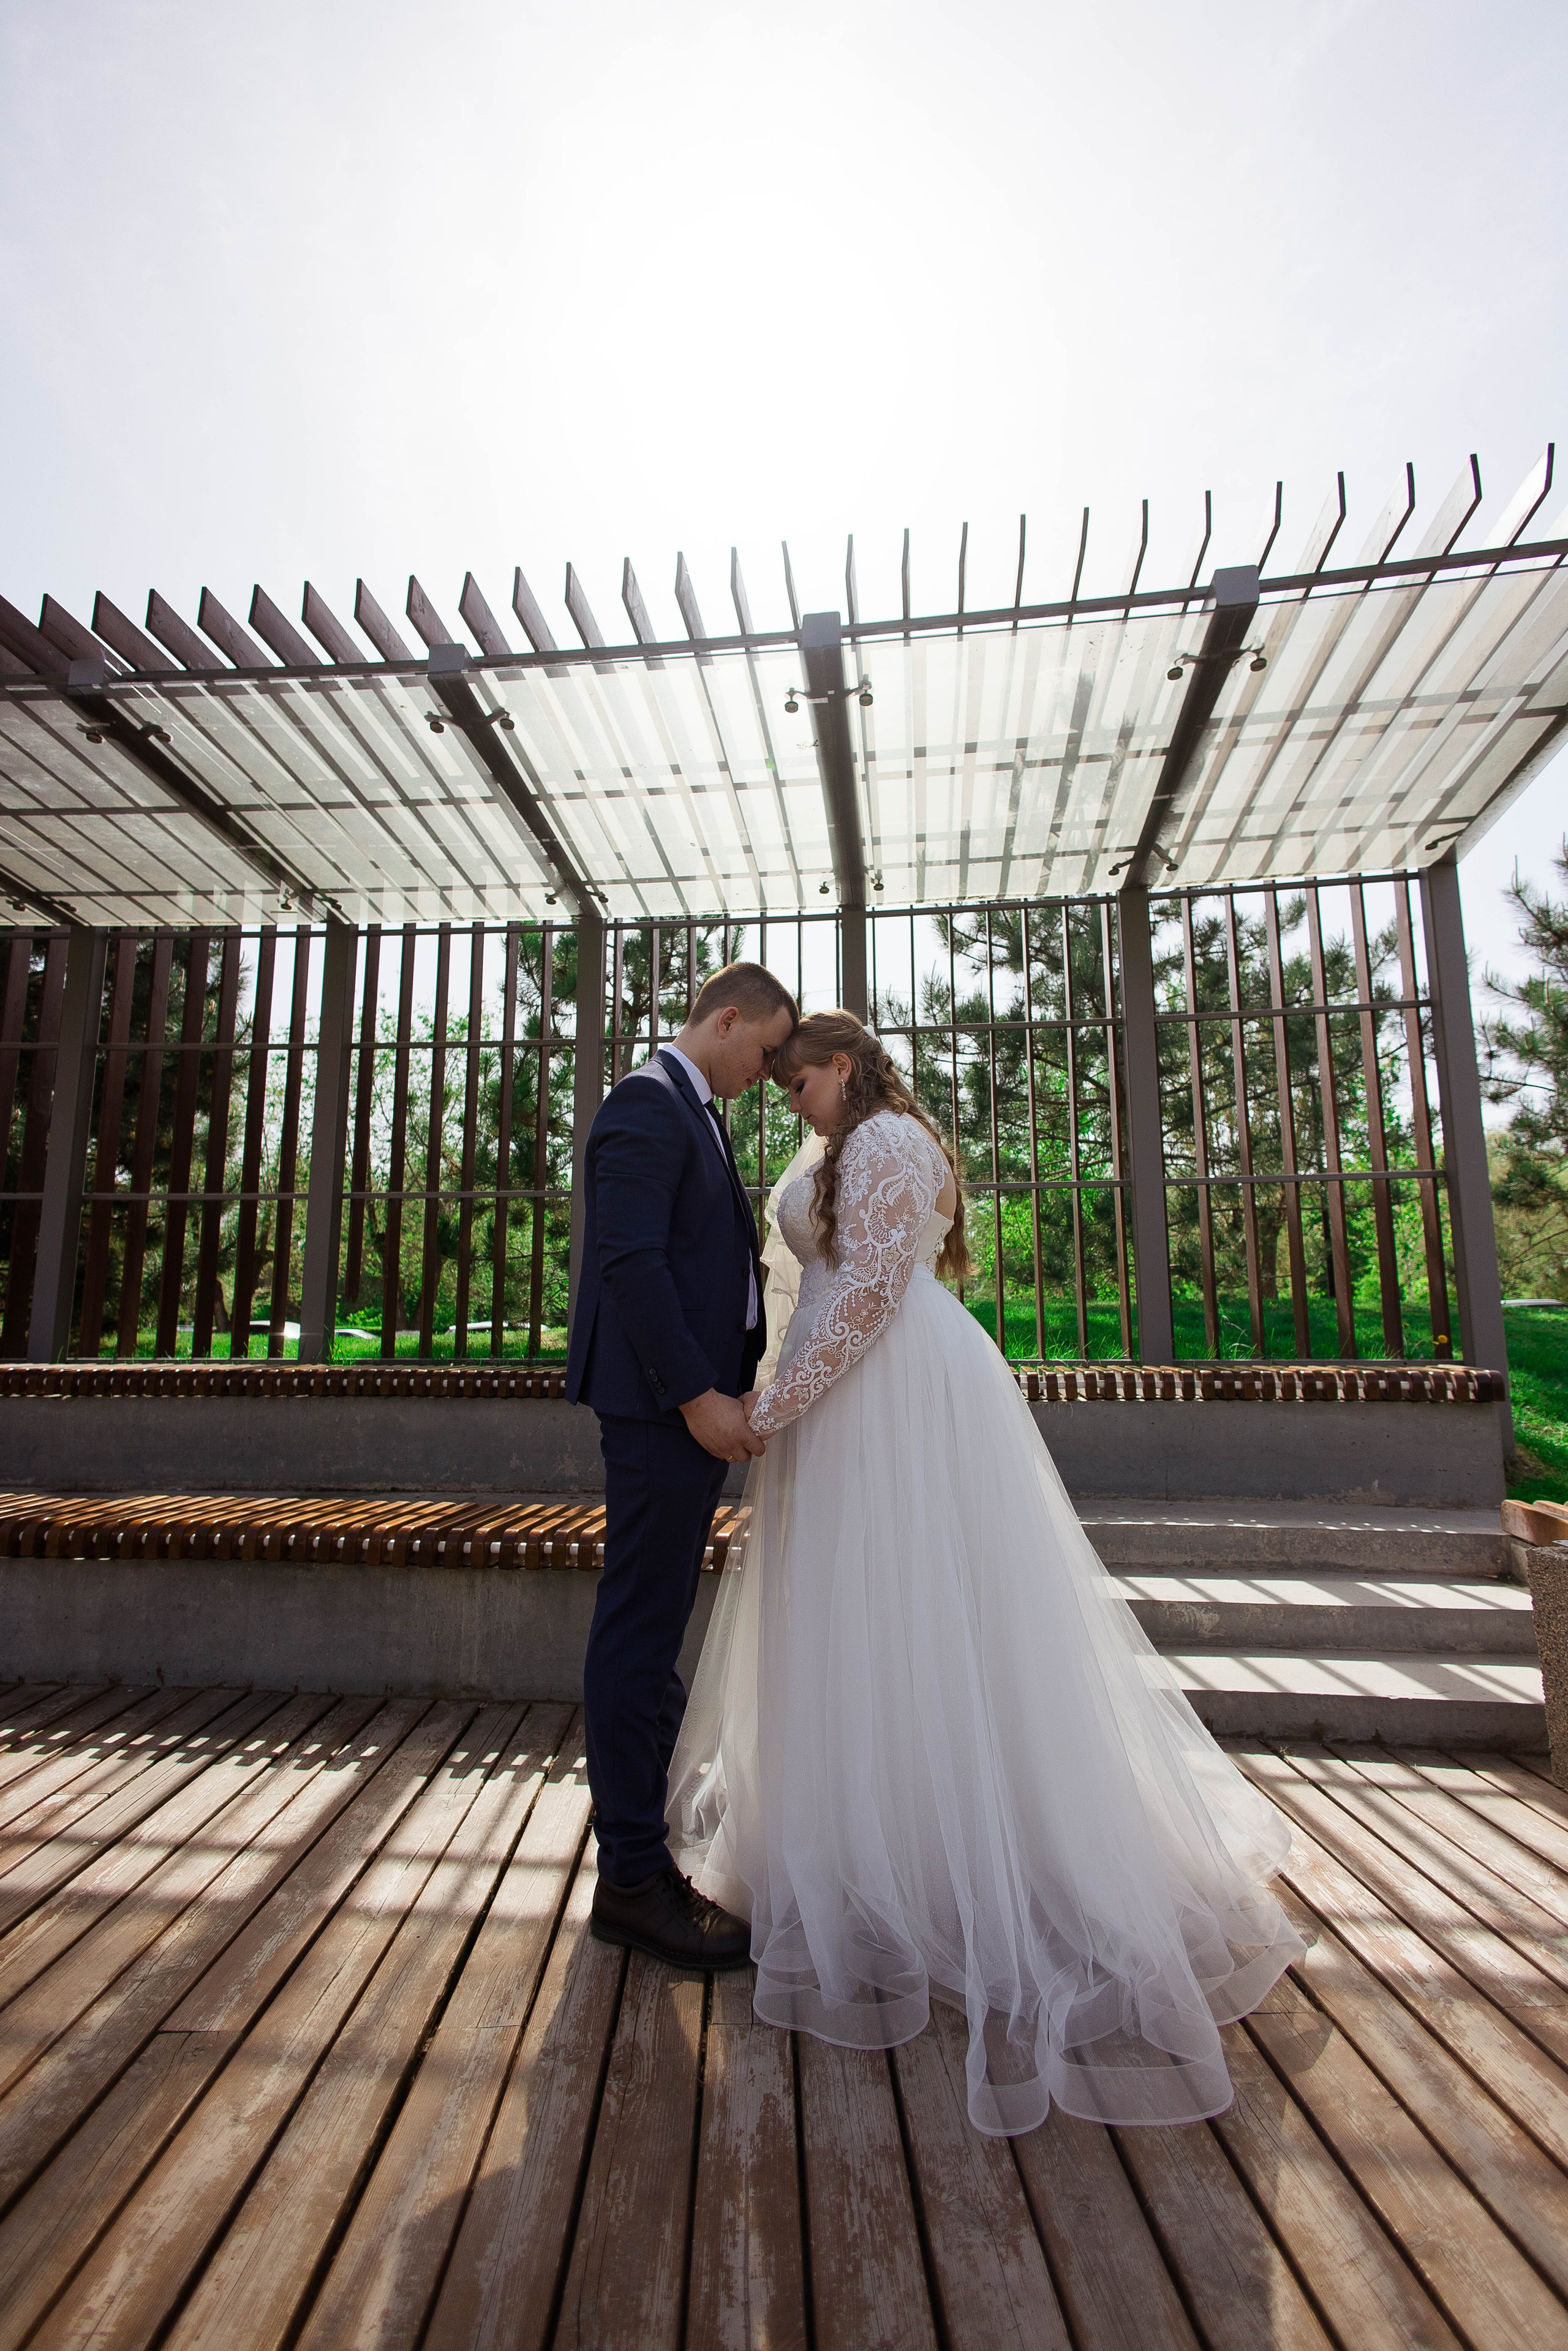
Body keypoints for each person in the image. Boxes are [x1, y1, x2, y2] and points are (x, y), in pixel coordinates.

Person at [668, 1009, 1303, 2136]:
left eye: (800, 1084)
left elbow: (866, 1294)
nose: (790, 1103)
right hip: (835, 1403)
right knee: (846, 1628)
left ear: (846, 1067)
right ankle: (852, 1839)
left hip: (892, 1400)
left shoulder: (895, 1143)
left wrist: (773, 1404)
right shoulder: (835, 1144)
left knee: (920, 1618)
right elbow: (808, 1285)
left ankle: (948, 1860)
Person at [567, 960, 798, 1969]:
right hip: (665, 1415)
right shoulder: (644, 1104)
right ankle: (628, 1880)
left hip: (689, 1414)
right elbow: (630, 1263)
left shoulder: (694, 1107)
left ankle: (644, 1845)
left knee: (655, 1627)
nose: (768, 1069)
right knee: (637, 1632)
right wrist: (697, 1394)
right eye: (764, 1049)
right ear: (727, 1018)